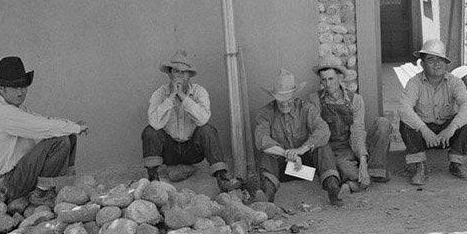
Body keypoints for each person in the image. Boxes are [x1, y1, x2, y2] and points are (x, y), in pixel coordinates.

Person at [0, 55, 87, 203]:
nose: (20, 92)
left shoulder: (15, 109)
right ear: (2, 89)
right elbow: (43, 127)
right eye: (14, 87)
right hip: (9, 182)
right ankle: (40, 194)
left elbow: (44, 121)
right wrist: (75, 127)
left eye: (23, 86)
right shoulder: (3, 113)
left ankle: (64, 186)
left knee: (69, 135)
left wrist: (72, 125)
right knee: (61, 140)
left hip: (19, 174)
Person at [141, 50, 240, 192]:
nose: (180, 76)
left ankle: (222, 179)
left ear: (189, 76)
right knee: (150, 132)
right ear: (169, 74)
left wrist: (183, 98)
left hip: (192, 150)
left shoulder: (200, 92)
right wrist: (171, 98)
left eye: (184, 72)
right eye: (176, 71)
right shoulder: (160, 94)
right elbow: (155, 123)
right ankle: (153, 180)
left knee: (208, 130)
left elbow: (203, 119)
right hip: (169, 151)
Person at [254, 67, 345, 206]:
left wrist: (300, 150)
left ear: (294, 96)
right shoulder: (265, 113)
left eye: (288, 99)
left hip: (304, 168)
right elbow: (262, 139)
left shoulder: (306, 108)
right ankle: (267, 194)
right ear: (274, 98)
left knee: (322, 146)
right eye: (280, 100)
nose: (285, 103)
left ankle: (333, 188)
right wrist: (288, 154)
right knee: (267, 155)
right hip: (281, 168)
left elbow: (323, 130)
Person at [398, 39, 467, 187]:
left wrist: (451, 128)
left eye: (441, 60)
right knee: (406, 123)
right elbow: (404, 108)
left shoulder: (455, 82)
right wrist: (424, 130)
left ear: (446, 63)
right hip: (423, 137)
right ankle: (419, 167)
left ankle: (456, 164)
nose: (437, 64)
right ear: (422, 64)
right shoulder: (414, 83)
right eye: (431, 60)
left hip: (446, 136)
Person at [309, 53, 392, 190]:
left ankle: (373, 170)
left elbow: (357, 131)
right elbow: (318, 133)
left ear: (340, 77)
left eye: (331, 79)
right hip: (335, 151)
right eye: (324, 80)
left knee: (383, 123)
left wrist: (363, 159)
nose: (328, 84)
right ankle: (357, 178)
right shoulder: (315, 100)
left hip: (354, 145)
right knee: (352, 175)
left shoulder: (356, 99)